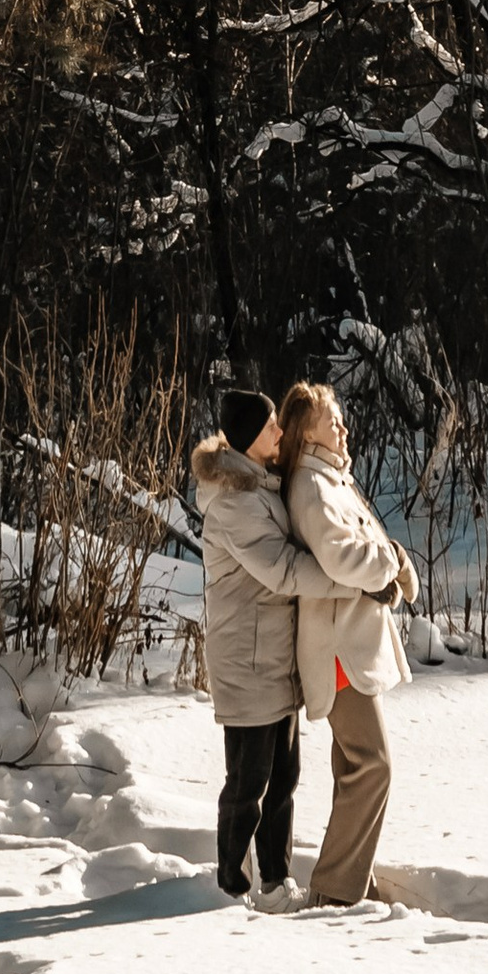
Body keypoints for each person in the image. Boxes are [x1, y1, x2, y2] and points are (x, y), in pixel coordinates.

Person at [273, 378, 418, 909]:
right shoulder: (311, 487)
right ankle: (335, 891)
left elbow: (361, 547)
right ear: (306, 433)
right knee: (372, 764)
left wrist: (391, 562)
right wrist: (392, 563)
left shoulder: (331, 481)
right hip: (337, 650)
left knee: (353, 767)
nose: (343, 428)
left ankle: (353, 880)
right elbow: (339, 556)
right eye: (332, 421)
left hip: (349, 643)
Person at [188, 385, 335, 904]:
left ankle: (275, 878)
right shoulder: (234, 504)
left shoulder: (262, 486)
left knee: (285, 776)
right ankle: (232, 885)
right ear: (251, 438)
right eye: (272, 424)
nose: (280, 431)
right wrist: (349, 580)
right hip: (246, 661)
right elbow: (283, 569)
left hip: (273, 658)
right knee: (249, 784)